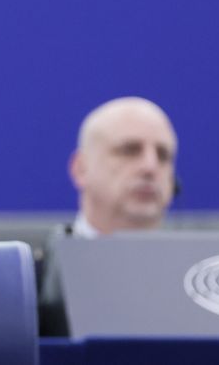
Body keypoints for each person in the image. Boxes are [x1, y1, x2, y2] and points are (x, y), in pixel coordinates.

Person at [37, 96, 179, 335]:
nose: (150, 167)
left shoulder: (203, 283)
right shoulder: (33, 286)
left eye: (163, 155)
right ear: (81, 168)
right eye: (129, 150)